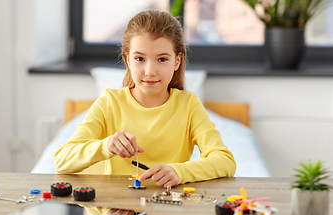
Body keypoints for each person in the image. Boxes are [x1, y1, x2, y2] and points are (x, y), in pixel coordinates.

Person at [54, 9, 236, 188]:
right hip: (120, 212)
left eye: (162, 59)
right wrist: (106, 146)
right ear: (127, 60)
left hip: (172, 209)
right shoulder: (109, 102)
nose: (150, 71)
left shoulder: (189, 105)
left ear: (177, 61)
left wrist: (180, 172)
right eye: (140, 59)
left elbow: (225, 161)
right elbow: (62, 161)